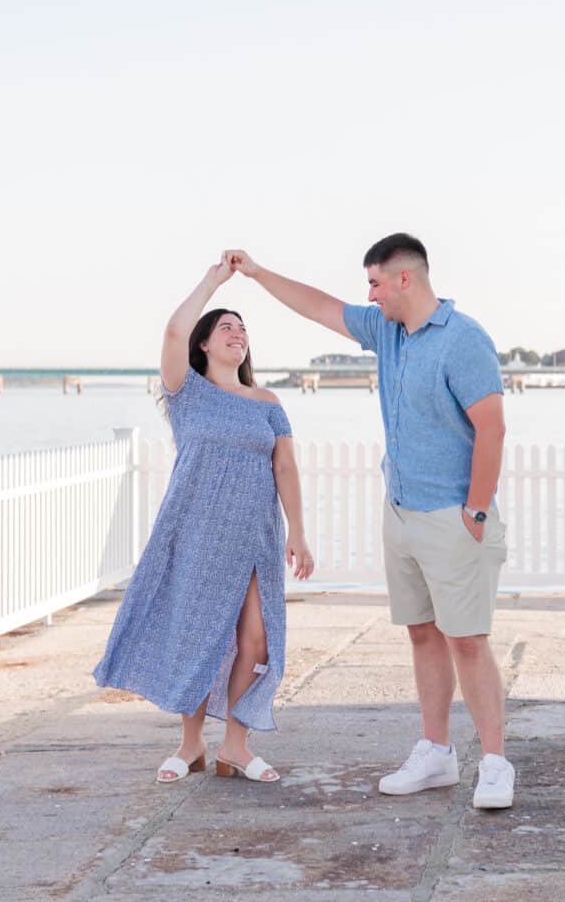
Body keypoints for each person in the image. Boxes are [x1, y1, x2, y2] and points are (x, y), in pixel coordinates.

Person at [224, 234, 514, 808]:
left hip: (454, 517)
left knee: (468, 641)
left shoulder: (464, 340)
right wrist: (257, 273)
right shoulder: (386, 331)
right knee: (423, 634)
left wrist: (476, 509)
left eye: (376, 284)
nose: (370, 295)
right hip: (400, 511)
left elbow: (493, 427)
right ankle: (436, 753)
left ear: (405, 278)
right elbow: (318, 305)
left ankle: (497, 762)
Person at [93, 256, 314, 785]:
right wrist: (215, 281)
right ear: (204, 344)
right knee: (197, 633)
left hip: (256, 536)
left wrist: (299, 533)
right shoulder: (186, 393)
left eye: (243, 329)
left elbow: (284, 466)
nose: (238, 334)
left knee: (257, 641)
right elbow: (173, 329)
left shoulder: (267, 401)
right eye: (226, 328)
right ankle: (190, 744)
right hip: (196, 531)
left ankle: (234, 746)